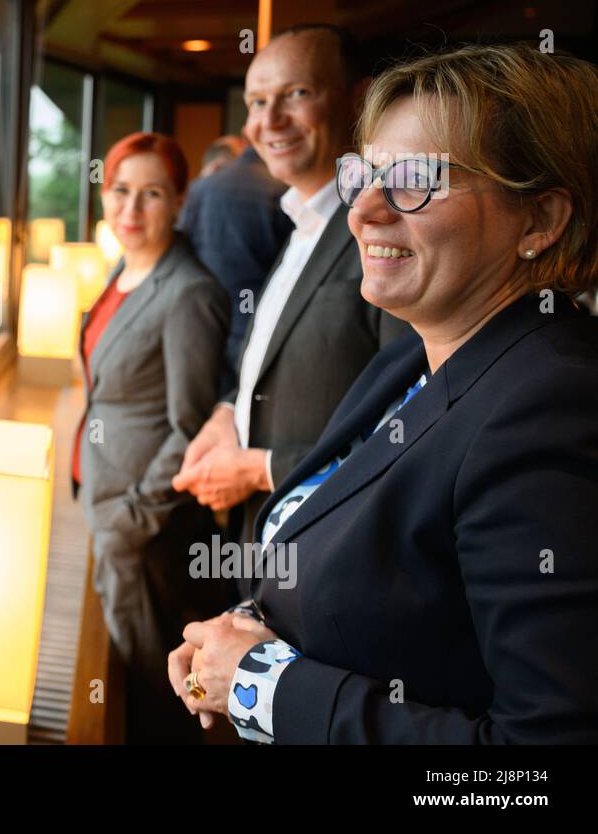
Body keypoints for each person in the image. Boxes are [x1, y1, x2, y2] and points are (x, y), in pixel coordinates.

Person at [169, 43, 598, 743]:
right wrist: (241, 635)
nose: (363, 210)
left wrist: (260, 685)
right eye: (363, 175)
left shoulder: (553, 406)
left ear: (540, 218)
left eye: (413, 179)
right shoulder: (403, 365)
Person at [172, 24, 409, 543]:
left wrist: (259, 470)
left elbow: (409, 424)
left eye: (297, 94)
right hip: (261, 540)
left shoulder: (387, 230)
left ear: (358, 99)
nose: (269, 121)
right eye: (256, 102)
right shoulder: (300, 220)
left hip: (332, 543)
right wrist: (226, 413)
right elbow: (271, 358)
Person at [73, 132, 230, 743]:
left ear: (180, 201)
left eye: (152, 194)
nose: (131, 211)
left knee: (153, 687)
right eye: (119, 191)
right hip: (105, 502)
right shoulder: (124, 267)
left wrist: (129, 521)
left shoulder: (190, 292)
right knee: (129, 673)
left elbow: (189, 428)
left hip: (145, 528)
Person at [176, 137, 294, 388]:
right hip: (260, 330)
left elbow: (180, 255)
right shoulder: (285, 192)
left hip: (199, 328)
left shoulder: (198, 190)